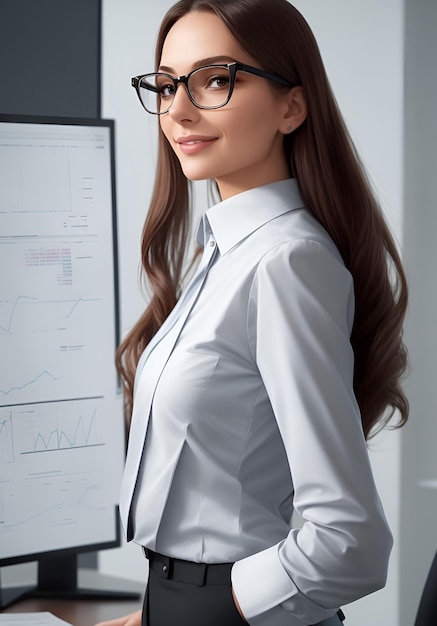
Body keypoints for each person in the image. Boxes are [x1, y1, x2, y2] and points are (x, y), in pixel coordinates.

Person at [96, 1, 409, 625]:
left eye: (216, 80)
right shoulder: (222, 256)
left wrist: (208, 609)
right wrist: (157, 613)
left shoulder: (286, 262)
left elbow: (350, 540)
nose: (178, 110)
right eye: (165, 85)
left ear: (292, 107)